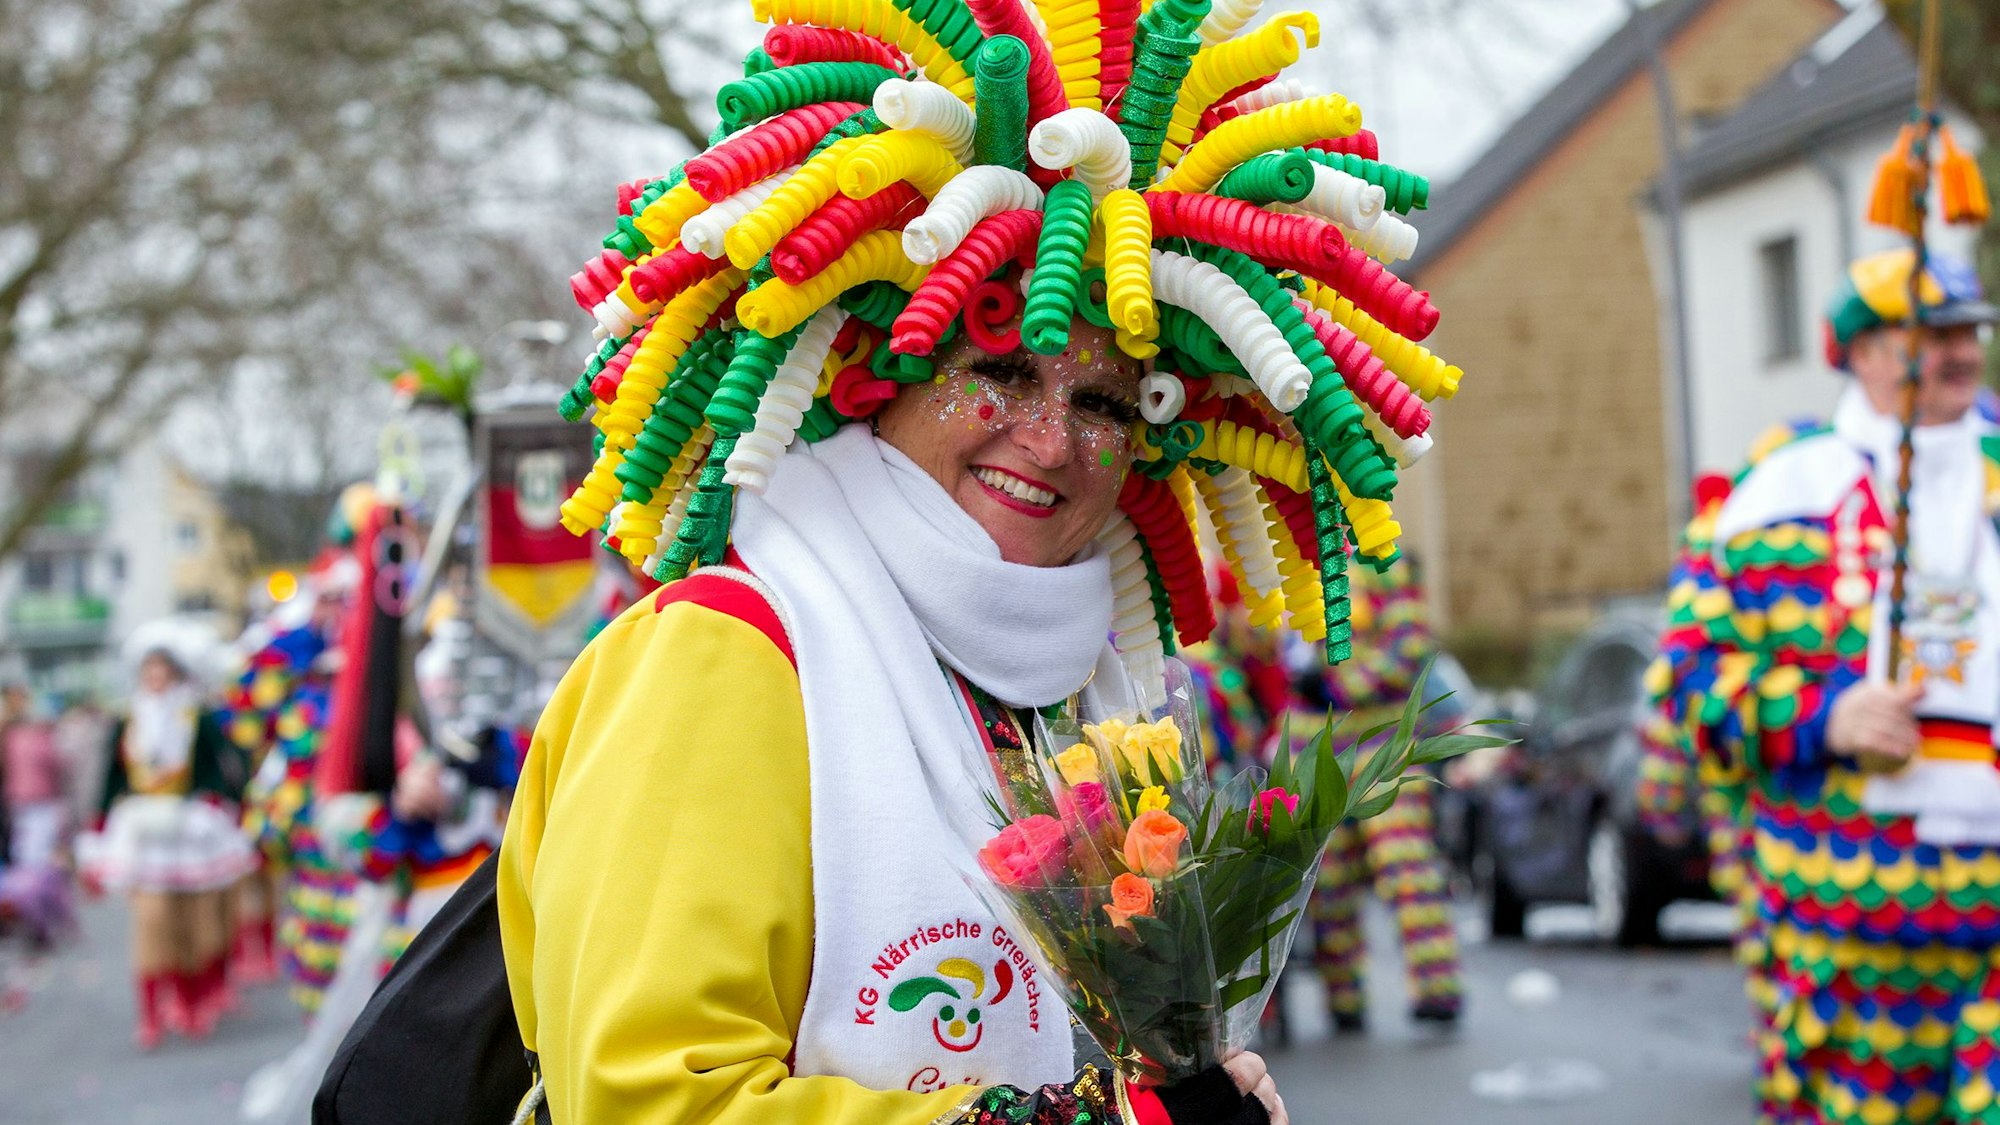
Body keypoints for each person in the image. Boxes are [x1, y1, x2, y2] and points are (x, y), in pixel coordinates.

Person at [499, 12, 1467, 1121]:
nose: (1051, 441)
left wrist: (1177, 1090)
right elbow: (646, 1102)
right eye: (999, 371)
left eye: (1102, 402)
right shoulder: (720, 657)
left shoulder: (1079, 697)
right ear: (875, 373)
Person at [1653, 249, 2000, 1124]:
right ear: (1867, 353)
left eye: (1971, 331)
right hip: (1857, 932)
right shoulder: (1778, 492)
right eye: (1934, 333)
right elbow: (1692, 680)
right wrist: (1826, 715)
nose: (1962, 350)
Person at [1281, 561, 1463, 1031]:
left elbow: (1410, 647)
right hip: (1315, 748)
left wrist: (1339, 685)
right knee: (1327, 877)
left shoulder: (1380, 561)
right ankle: (1344, 998)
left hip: (1381, 743)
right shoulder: (1283, 565)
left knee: (1405, 862)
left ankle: (1436, 987)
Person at [85, 646, 253, 1049]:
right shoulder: (129, 720)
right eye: (150, 673)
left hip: (192, 831)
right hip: (145, 833)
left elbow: (219, 767)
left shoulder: (197, 717)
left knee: (195, 921)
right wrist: (100, 821)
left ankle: (194, 999)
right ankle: (152, 1012)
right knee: (152, 921)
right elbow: (112, 775)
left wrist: (218, 801)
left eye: (163, 673)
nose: (156, 680)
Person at [0, 684, 76, 951]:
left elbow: (61, 770)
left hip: (40, 807)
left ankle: (41, 921)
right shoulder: (10, 736)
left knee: (37, 865)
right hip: (20, 807)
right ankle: (33, 920)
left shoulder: (38, 736)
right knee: (29, 865)